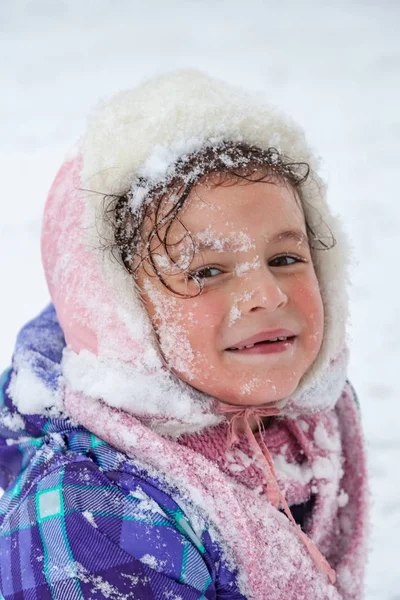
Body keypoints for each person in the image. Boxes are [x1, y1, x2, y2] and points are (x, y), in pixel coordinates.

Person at [0, 70, 369, 600]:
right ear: (118, 313)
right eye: (207, 272)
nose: (267, 295)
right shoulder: (96, 522)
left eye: (285, 258)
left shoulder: (308, 408)